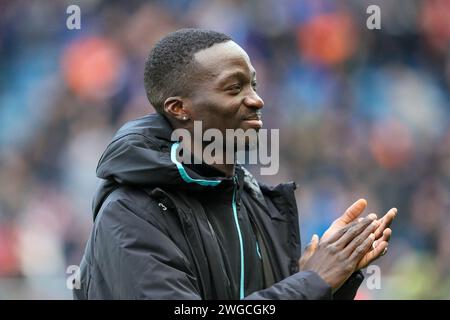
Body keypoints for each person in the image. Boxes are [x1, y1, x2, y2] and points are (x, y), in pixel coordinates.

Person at [73, 28, 395, 300]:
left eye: (253, 84)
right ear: (179, 108)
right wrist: (312, 282)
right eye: (234, 87)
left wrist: (333, 280)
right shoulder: (131, 212)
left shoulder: (252, 200)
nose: (256, 99)